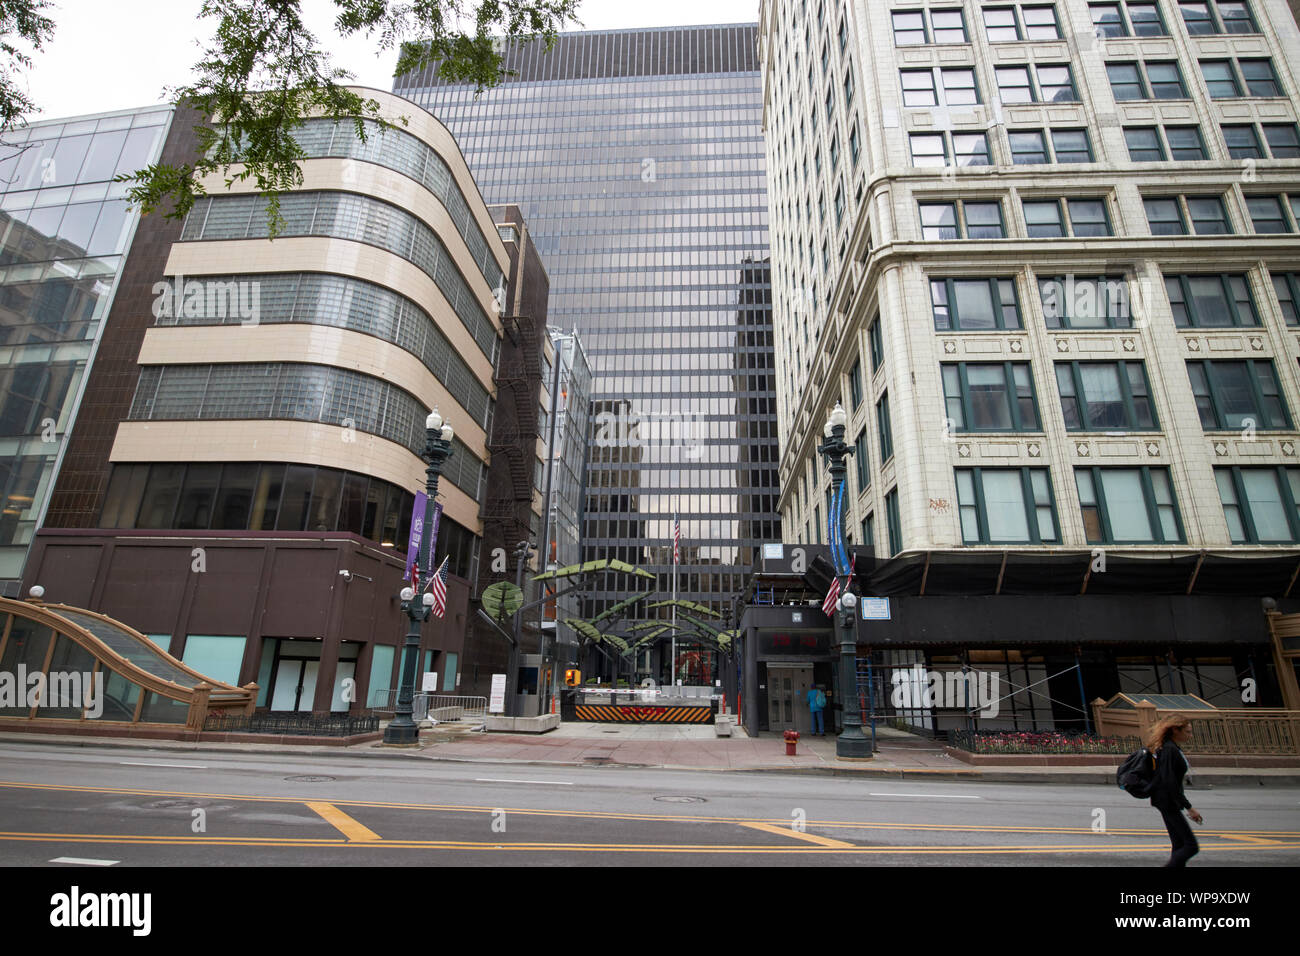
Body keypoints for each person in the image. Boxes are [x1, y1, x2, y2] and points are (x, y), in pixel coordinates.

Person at [1146, 715, 1203, 867]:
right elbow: (1169, 782)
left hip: (1165, 800)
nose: (1190, 736)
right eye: (1188, 732)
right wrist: (1189, 808)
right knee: (1190, 846)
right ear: (1175, 730)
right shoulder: (1169, 749)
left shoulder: (1169, 747)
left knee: (1179, 845)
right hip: (1167, 801)